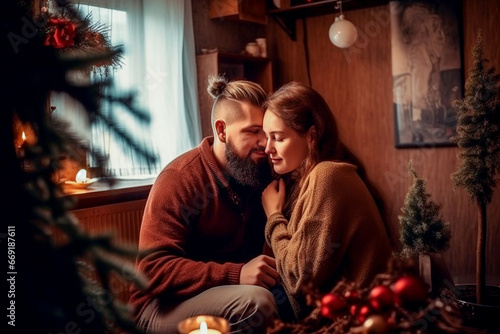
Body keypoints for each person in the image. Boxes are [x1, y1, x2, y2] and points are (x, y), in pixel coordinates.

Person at [129, 76, 280, 334]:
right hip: (160, 307)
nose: (264, 144)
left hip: (229, 294)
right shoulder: (180, 179)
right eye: (253, 131)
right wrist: (236, 273)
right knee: (258, 303)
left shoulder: (256, 173)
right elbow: (151, 270)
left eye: (266, 133)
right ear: (221, 130)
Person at [261, 82, 393, 320]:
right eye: (265, 137)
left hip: (354, 320)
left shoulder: (328, 176)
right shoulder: (305, 179)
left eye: (278, 138)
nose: (268, 148)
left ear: (311, 135)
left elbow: (299, 280)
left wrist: (273, 217)